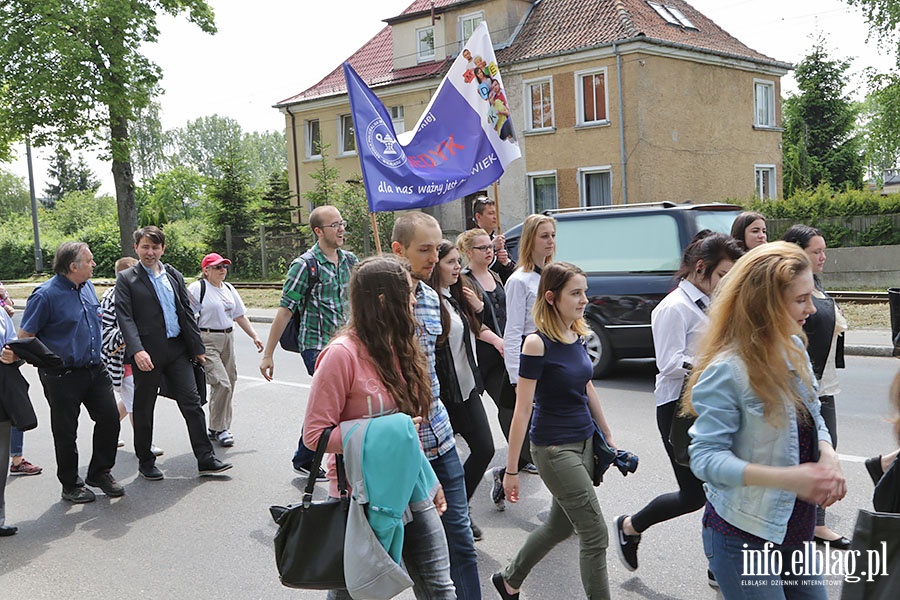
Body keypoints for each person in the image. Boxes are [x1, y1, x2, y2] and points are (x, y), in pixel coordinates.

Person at [686, 241, 847, 598]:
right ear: (767, 304)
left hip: (793, 528)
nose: (812, 308)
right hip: (742, 537)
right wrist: (789, 477)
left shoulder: (794, 348)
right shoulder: (729, 369)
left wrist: (828, 455)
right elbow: (705, 459)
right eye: (801, 299)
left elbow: (813, 413)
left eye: (812, 296)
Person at [303, 255, 455, 600]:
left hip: (411, 485)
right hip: (361, 496)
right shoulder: (341, 354)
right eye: (410, 293)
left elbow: (407, 431)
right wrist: (387, 430)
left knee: (440, 589)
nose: (416, 301)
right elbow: (315, 437)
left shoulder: (400, 346)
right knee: (355, 594)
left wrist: (430, 480)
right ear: (385, 300)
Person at [615, 232, 743, 584]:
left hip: (709, 403)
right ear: (700, 268)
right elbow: (669, 363)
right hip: (677, 408)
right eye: (722, 276)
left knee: (721, 485)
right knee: (693, 495)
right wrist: (713, 363)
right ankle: (630, 525)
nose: (726, 283)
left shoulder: (711, 300)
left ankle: (718, 565)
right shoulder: (673, 308)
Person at [493, 261, 617, 600]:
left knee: (559, 526)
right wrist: (512, 470)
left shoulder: (575, 332)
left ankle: (509, 579)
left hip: (583, 442)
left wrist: (606, 434)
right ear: (551, 297)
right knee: (595, 533)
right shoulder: (536, 343)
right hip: (553, 449)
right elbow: (522, 409)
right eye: (575, 293)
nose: (584, 299)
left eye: (584, 292)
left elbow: (587, 387)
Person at [391, 211, 481, 600]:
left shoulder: (432, 298)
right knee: (398, 553)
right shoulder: (378, 306)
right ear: (398, 250)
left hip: (440, 438)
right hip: (399, 447)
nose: (434, 256)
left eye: (437, 247)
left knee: (459, 540)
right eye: (423, 249)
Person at [116, 226, 231, 481]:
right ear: (136, 248)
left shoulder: (173, 274)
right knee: (144, 408)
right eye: (145, 247)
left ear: (163, 249)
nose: (150, 252)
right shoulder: (127, 279)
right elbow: (125, 318)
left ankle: (205, 458)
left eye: (155, 247)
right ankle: (145, 461)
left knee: (191, 403)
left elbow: (186, 312)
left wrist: (198, 349)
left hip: (177, 349)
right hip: (147, 354)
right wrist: (137, 350)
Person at [19, 242, 123, 503]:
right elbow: (25, 337)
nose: (94, 264)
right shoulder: (44, 295)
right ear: (73, 266)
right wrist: (48, 363)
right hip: (62, 375)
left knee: (110, 419)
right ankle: (70, 485)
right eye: (89, 261)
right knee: (66, 432)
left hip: (94, 369)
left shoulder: (87, 287)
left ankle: (100, 472)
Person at [258, 205, 357, 478]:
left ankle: (304, 456)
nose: (340, 229)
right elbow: (285, 310)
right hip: (318, 347)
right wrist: (268, 354)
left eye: (342, 223)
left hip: (348, 344)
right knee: (341, 401)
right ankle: (337, 464)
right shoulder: (304, 265)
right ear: (318, 231)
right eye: (334, 225)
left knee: (333, 402)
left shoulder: (350, 261)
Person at [782, 224, 850, 548]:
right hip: (805, 387)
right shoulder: (786, 293)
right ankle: (812, 524)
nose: (823, 257)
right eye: (816, 252)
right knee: (811, 452)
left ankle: (813, 521)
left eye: (825, 251)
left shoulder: (814, 284)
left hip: (823, 384)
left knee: (827, 446)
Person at [429, 239, 494, 541]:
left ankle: (458, 507)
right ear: (435, 266)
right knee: (443, 461)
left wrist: (480, 311)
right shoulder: (429, 301)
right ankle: (449, 516)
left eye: (458, 261)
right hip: (444, 395)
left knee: (484, 449)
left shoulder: (456, 295)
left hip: (467, 388)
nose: (457, 267)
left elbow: (474, 329)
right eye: (451, 262)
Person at [490, 214, 556, 506]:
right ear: (531, 240)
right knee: (539, 434)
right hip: (531, 364)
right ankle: (506, 473)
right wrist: (518, 377)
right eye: (544, 236)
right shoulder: (519, 280)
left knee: (553, 434)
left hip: (556, 362)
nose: (550, 241)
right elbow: (513, 331)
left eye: (553, 235)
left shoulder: (555, 274)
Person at [458, 229, 534, 485]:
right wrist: (497, 340)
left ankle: (519, 460)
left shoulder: (495, 275)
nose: (488, 250)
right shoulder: (464, 281)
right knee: (507, 404)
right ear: (468, 253)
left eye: (489, 246)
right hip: (487, 355)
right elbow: (470, 323)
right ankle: (522, 457)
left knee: (523, 402)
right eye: (481, 248)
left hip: (509, 349)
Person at [188, 252, 263, 447]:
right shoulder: (197, 288)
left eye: (224, 267)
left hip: (228, 337)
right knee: (222, 383)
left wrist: (254, 336)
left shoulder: (229, 288)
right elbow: (187, 317)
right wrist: (194, 345)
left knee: (229, 381)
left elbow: (240, 315)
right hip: (207, 339)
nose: (222, 270)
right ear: (206, 270)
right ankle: (221, 429)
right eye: (217, 267)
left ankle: (216, 427)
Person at [100, 257, 164, 457]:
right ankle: (143, 444)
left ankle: (107, 432)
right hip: (123, 358)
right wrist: (131, 335)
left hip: (138, 356)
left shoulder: (139, 292)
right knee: (137, 403)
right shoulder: (112, 297)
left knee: (131, 401)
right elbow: (107, 332)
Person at [1, 283, 42, 477]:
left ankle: (17, 460)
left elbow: (12, 340)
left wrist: (13, 354)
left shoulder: (1, 313)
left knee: (14, 413)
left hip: (5, 376)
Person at [471, 196, 515, 282]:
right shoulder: (469, 239)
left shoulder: (499, 240)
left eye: (496, 213)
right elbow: (471, 268)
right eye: (491, 213)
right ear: (478, 216)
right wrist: (492, 247)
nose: (495, 217)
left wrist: (506, 263)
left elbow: (510, 275)